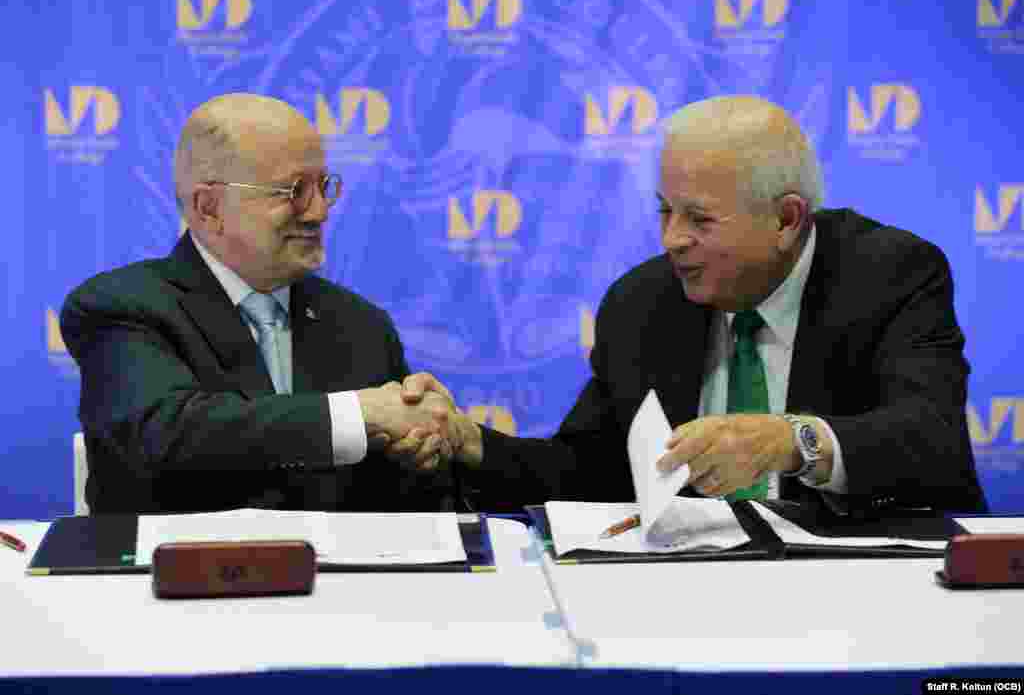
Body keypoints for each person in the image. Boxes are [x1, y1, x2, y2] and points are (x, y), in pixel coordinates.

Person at [395, 95, 987, 514]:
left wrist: (789, 441)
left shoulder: (889, 274)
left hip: (875, 581)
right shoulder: (643, 302)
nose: (672, 239)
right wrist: (473, 442)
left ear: (786, 220)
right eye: (665, 210)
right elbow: (590, 470)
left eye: (699, 219)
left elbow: (929, 437)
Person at [61, 93, 453, 514]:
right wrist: (356, 414)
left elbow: (409, 498)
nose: (319, 212)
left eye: (323, 187)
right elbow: (165, 434)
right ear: (209, 208)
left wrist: (424, 448)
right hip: (172, 556)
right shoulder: (121, 306)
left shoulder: (361, 325)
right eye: (294, 191)